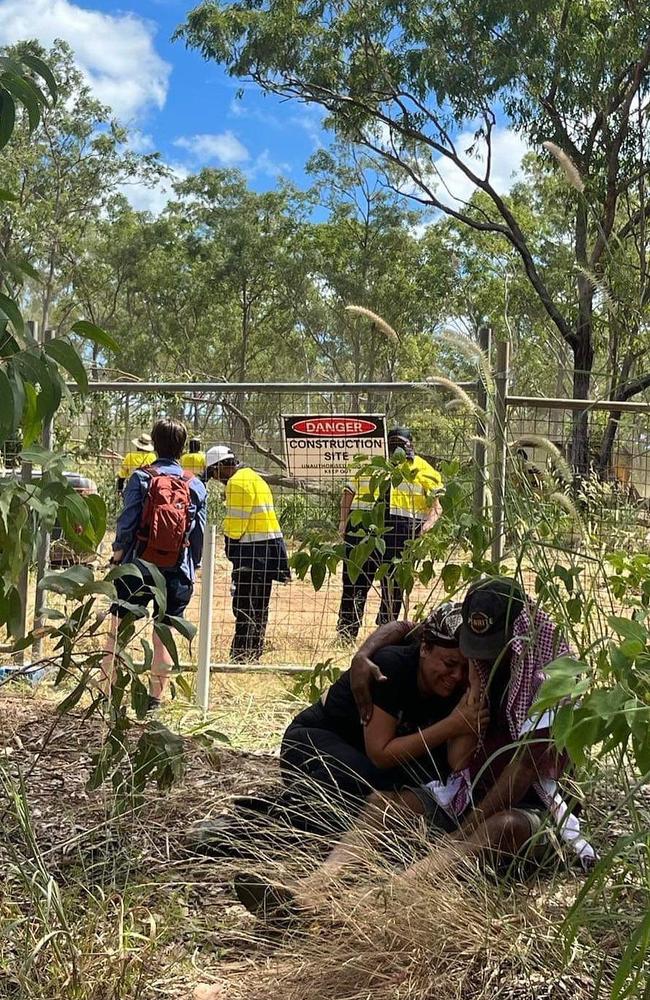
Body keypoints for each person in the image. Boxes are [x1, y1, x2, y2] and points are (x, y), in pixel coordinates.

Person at [235, 578, 595, 919]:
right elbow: (458, 760)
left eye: (490, 653)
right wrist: (367, 654)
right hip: (462, 792)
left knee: (497, 827)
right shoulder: (472, 668)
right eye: (475, 652)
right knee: (383, 804)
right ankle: (312, 890)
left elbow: (525, 771)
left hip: (535, 808)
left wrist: (464, 827)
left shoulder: (552, 681)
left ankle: (375, 905)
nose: (479, 662)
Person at [100, 419, 207, 710]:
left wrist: (119, 555)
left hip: (138, 565)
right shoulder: (194, 484)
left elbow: (127, 523)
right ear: (183, 447)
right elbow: (198, 533)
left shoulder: (141, 478)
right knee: (164, 633)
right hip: (177, 568)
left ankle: (105, 694)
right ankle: (155, 700)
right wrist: (191, 565)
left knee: (117, 628)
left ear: (154, 444)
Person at [336, 426, 443, 641]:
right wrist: (343, 522)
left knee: (393, 585)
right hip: (363, 527)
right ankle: (346, 634)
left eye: (402, 445)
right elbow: (349, 492)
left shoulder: (425, 469)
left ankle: (386, 635)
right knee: (354, 581)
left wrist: (428, 525)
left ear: (411, 445)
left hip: (403, 529)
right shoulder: (370, 463)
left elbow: (437, 505)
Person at [205, 446, 290, 662]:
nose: (216, 479)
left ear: (220, 467)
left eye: (214, 473)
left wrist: (230, 546)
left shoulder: (236, 483)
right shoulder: (253, 477)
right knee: (260, 604)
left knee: (244, 604)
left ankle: (241, 656)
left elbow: (236, 524)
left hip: (251, 551)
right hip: (270, 548)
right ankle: (254, 652)